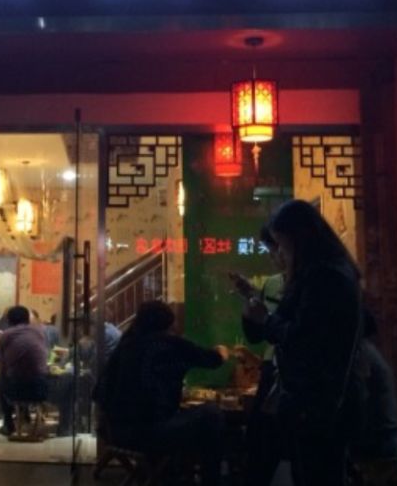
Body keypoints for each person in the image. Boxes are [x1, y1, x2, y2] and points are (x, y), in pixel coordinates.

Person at [244, 199, 362, 486]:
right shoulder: (320, 274)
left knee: (315, 474)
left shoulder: (325, 278)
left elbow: (304, 338)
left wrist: (266, 320)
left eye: (283, 247)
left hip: (317, 403)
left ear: (300, 240)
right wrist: (258, 317)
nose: (280, 256)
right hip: (314, 402)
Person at [95, 300, 227, 484]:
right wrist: (222, 351)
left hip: (116, 434)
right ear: (168, 323)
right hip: (151, 434)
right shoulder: (170, 344)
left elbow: (98, 392)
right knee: (211, 414)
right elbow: (212, 360)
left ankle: (169, 473)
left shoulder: (125, 345)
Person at [233, 224, 287, 486]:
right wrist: (250, 299)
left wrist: (267, 319)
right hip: (272, 368)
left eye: (277, 248)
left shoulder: (317, 284)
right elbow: (257, 335)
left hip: (299, 376)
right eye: (271, 250)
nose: (275, 256)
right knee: (259, 441)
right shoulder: (273, 283)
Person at [350, 310, 397, 486]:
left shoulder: (361, 353)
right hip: (387, 434)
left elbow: (360, 395)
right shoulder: (370, 352)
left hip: (379, 438)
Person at [0, 305, 49, 437]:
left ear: (9, 320)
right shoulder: (39, 332)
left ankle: (8, 424)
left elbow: (3, 364)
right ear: (27, 318)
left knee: (3, 381)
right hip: (41, 388)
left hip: (16, 389)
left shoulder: (6, 335)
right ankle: (25, 416)